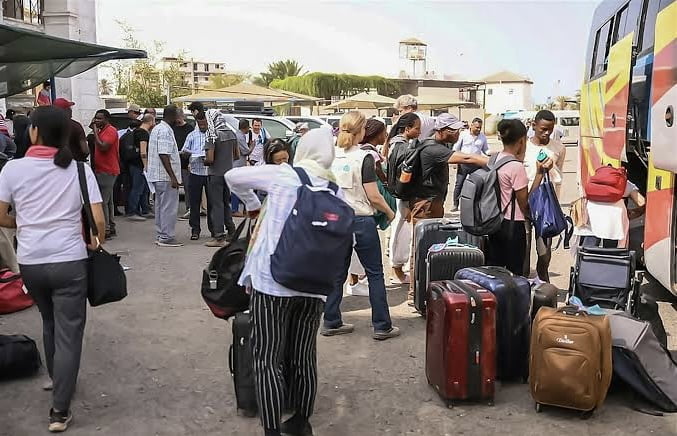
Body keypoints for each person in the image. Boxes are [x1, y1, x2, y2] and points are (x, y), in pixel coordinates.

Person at [226, 127, 338, 436]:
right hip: (313, 284)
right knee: (304, 356)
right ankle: (301, 421)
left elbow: (233, 178)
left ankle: (272, 430)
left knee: (267, 359)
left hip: (272, 283)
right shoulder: (333, 187)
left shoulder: (284, 175)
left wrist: (251, 204)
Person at [0, 106, 106, 432]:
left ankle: (55, 379)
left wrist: (25, 223)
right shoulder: (78, 170)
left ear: (33, 132)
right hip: (70, 260)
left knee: (48, 321)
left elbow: (1, 215)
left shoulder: (12, 170)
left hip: (31, 260)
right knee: (70, 332)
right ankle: (59, 411)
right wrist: (95, 240)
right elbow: (99, 221)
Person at [323, 111, 399, 341]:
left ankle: (331, 320)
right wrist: (388, 211)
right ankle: (382, 325)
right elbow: (373, 196)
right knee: (375, 273)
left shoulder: (330, 156)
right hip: (361, 220)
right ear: (361, 130)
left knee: (336, 273)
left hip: (335, 220)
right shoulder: (363, 158)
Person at [487, 119, 552, 275]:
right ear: (522, 141)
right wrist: (539, 173)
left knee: (496, 270)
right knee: (515, 273)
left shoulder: (494, 159)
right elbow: (525, 203)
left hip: (495, 223)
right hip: (513, 227)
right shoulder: (516, 167)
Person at [523, 110, 566, 281]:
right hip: (525, 203)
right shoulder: (523, 146)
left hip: (547, 206)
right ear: (534, 126)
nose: (546, 133)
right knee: (523, 248)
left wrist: (550, 168)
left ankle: (543, 278)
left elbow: (559, 176)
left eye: (550, 129)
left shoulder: (559, 148)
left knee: (544, 251)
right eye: (543, 129)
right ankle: (524, 281)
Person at [194, 105, 238, 247]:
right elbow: (236, 155)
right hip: (228, 173)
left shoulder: (212, 135)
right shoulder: (231, 133)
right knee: (226, 203)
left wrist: (202, 159)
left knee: (216, 205)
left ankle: (219, 236)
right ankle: (232, 231)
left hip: (215, 174)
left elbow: (210, 159)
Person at [385, 113, 421, 284]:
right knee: (401, 233)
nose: (419, 132)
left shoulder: (395, 144)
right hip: (401, 197)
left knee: (399, 231)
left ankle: (397, 269)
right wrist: (406, 201)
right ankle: (396, 271)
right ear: (407, 129)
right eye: (417, 129)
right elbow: (404, 176)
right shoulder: (402, 148)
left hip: (398, 195)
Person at [147, 104, 183, 247]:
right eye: (178, 116)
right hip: (165, 176)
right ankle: (166, 237)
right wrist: (173, 177)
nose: (180, 119)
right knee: (168, 207)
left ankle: (162, 234)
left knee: (161, 207)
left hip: (159, 176)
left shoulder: (158, 128)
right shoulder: (164, 131)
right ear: (173, 116)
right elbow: (164, 154)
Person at [181, 112, 210, 240]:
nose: (202, 126)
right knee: (194, 203)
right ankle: (195, 230)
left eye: (204, 123)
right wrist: (188, 154)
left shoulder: (212, 136)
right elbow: (184, 151)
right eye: (200, 124)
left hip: (210, 172)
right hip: (195, 172)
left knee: (213, 203)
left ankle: (214, 229)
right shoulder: (192, 135)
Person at [92, 109, 120, 240]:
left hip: (107, 170)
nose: (96, 121)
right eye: (96, 118)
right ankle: (111, 226)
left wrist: (94, 132)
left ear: (106, 119)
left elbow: (103, 146)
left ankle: (106, 229)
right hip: (101, 169)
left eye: (99, 118)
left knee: (103, 201)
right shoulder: (102, 130)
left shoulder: (110, 131)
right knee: (108, 201)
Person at [451, 117, 489, 211]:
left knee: (477, 183)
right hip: (463, 163)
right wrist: (456, 162)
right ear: (471, 125)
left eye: (480, 127)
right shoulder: (463, 135)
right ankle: (455, 204)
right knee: (459, 184)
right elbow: (456, 148)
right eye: (477, 127)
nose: (478, 129)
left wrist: (494, 154)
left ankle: (476, 203)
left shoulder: (482, 137)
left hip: (476, 164)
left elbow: (486, 150)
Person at [126, 114, 155, 221]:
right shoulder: (143, 133)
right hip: (139, 165)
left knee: (144, 188)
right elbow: (143, 151)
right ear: (151, 121)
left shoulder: (137, 131)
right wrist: (145, 165)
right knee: (138, 188)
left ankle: (145, 209)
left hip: (135, 164)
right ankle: (133, 211)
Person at [172, 110, 194, 220]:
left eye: (179, 117)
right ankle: (172, 209)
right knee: (173, 186)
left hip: (185, 161)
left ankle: (189, 208)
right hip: (174, 161)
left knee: (187, 186)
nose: (177, 119)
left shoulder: (189, 128)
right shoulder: (172, 128)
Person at [232, 118, 254, 216]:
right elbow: (246, 151)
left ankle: (240, 209)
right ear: (245, 127)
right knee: (241, 187)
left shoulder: (237, 135)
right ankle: (235, 209)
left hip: (237, 164)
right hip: (238, 165)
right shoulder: (240, 136)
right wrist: (252, 146)